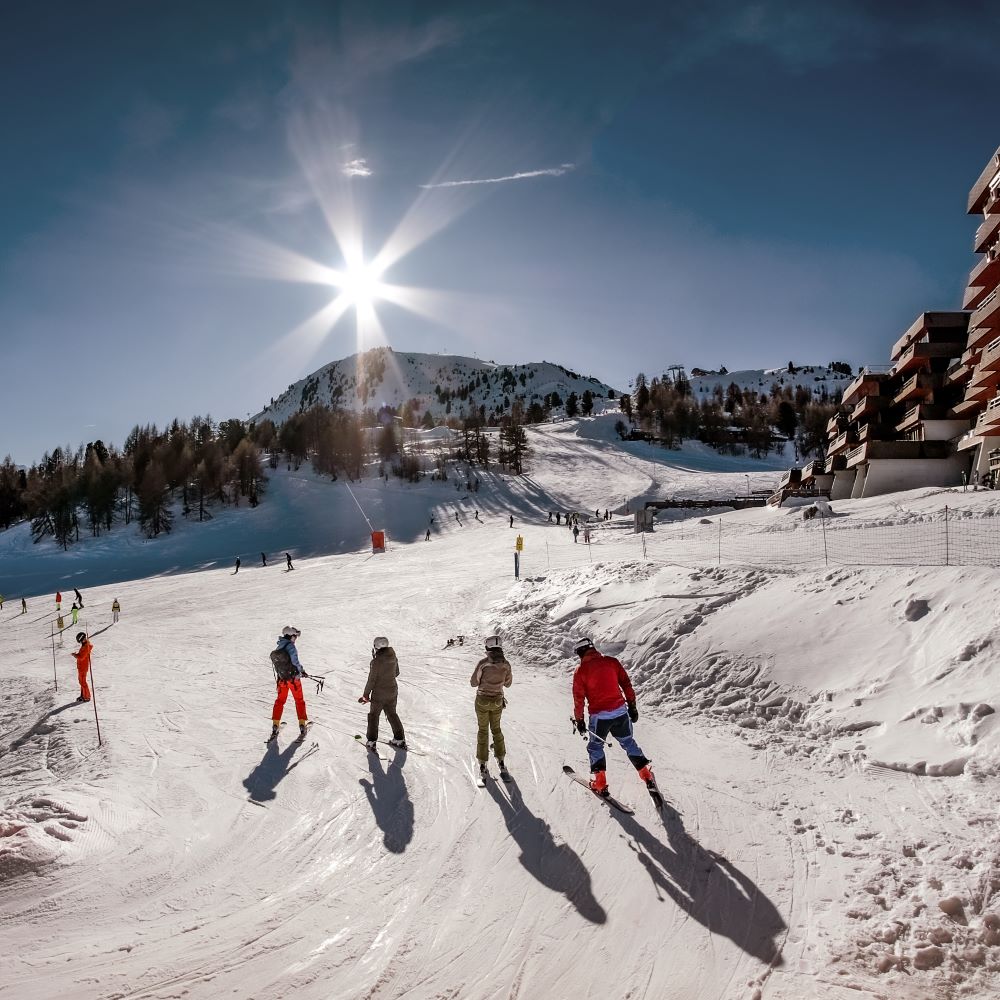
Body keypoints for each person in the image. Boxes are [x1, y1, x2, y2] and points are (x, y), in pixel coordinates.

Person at [571, 637, 655, 798]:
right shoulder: (611, 662)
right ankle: (646, 775)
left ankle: (600, 784)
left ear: (581, 652)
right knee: (628, 742)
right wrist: (632, 705)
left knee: (595, 747)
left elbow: (578, 699)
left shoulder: (580, 670)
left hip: (599, 717)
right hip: (620, 713)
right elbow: (626, 683)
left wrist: (579, 720)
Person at [470, 635, 512, 780]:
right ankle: (501, 759)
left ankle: (482, 763)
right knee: (496, 729)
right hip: (497, 701)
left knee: (483, 730)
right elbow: (508, 683)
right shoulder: (506, 664)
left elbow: (473, 682)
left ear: (488, 648)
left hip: (482, 700)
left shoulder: (483, 663)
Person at [359, 636, 406, 750]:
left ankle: (371, 741)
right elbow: (397, 673)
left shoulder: (376, 661)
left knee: (374, 716)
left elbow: (372, 680)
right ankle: (399, 739)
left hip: (379, 693)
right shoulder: (393, 657)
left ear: (377, 647)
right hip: (392, 691)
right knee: (392, 714)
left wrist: (366, 695)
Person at [269, 626, 308, 741]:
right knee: (299, 701)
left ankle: (275, 725)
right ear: (291, 636)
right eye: (295, 636)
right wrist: (302, 671)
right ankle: (302, 725)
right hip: (293, 680)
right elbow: (295, 662)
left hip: (282, 679)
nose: (295, 638)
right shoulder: (291, 646)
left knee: (280, 701)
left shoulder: (279, 645)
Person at [72, 631, 92, 702]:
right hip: (81, 667)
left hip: (83, 667)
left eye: (81, 641)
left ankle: (87, 696)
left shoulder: (86, 647)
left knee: (83, 682)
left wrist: (75, 655)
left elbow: (81, 657)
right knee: (81, 682)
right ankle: (83, 695)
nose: (81, 642)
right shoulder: (84, 645)